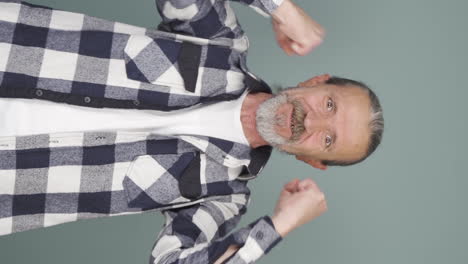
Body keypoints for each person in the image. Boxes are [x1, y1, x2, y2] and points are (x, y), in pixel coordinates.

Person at [0, 0, 384, 263]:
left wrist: (278, 226)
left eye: (327, 139)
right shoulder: (217, 43)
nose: (310, 121)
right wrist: (282, 9)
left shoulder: (221, 197)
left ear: (312, 161)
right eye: (329, 104)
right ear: (316, 81)